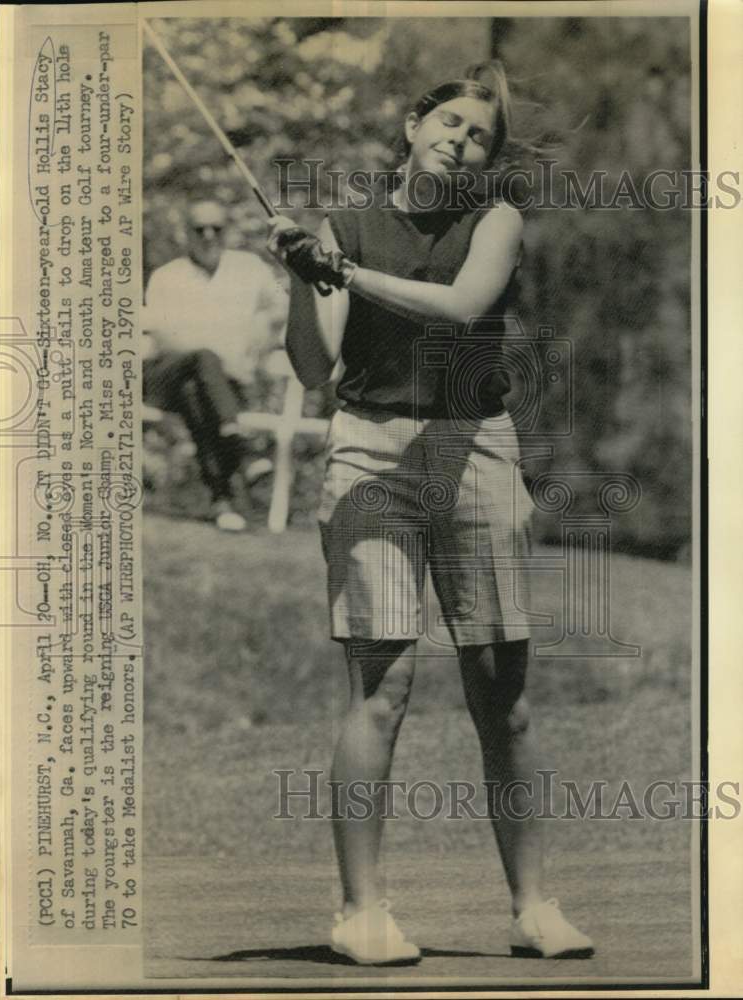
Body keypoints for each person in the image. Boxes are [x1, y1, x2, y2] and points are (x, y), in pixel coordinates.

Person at [268, 63, 594, 966]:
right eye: (447, 121)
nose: (459, 139)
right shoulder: (345, 227)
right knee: (383, 689)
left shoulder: (495, 223)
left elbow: (459, 310)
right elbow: (309, 371)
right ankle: (360, 912)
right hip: (371, 449)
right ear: (414, 126)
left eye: (477, 134)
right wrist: (305, 276)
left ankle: (534, 908)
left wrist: (345, 272)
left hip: (474, 447)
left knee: (505, 698)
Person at [142, 197, 286, 531]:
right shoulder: (167, 275)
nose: (208, 236)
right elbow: (165, 339)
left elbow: (282, 306)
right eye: (199, 228)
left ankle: (222, 502)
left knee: (197, 392)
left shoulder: (250, 268)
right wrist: (221, 357)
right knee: (203, 360)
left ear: (228, 231)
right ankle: (243, 454)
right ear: (186, 234)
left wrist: (260, 330)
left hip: (210, 387)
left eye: (216, 228)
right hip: (167, 377)